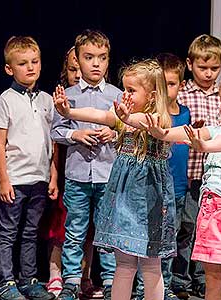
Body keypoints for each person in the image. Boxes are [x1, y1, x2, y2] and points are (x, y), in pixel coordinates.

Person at [53, 59, 176, 300]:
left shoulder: (158, 121)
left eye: (131, 90)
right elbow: (98, 114)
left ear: (151, 96)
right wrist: (69, 112)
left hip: (149, 200)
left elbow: (141, 123)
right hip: (124, 198)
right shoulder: (123, 115)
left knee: (151, 265)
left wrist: (126, 118)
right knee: (124, 264)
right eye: (125, 89)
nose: (125, 95)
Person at [142, 69, 221, 300]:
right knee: (213, 281)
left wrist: (205, 147)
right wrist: (162, 133)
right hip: (210, 214)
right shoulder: (217, 129)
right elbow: (190, 132)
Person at [51, 29, 119, 300]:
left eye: (101, 58)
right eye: (89, 57)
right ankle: (71, 280)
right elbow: (55, 131)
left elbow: (128, 127)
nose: (96, 64)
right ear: (77, 61)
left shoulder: (116, 94)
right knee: (75, 229)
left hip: (107, 175)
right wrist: (74, 134)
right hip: (78, 175)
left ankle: (112, 280)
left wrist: (114, 132)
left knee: (107, 230)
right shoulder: (68, 95)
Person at [0, 36, 57, 300]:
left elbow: (54, 141)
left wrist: (53, 175)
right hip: (15, 178)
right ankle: (6, 283)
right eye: (22, 63)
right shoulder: (5, 100)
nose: (30, 67)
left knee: (31, 232)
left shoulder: (47, 100)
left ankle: (28, 279)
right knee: (8, 232)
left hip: (39, 178)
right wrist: (3, 179)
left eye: (35, 61)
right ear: (10, 69)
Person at [42, 46, 102, 298]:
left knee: (89, 230)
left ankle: (84, 277)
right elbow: (54, 143)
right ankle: (58, 275)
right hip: (69, 169)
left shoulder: (106, 96)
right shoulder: (63, 98)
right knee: (63, 226)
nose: (78, 74)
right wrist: (54, 176)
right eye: (72, 69)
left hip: (96, 170)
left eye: (81, 68)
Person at [173, 33, 221, 299]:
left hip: (212, 176)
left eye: (214, 68)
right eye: (202, 67)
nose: (208, 73)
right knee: (185, 227)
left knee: (206, 230)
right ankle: (179, 277)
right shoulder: (181, 93)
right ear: (190, 64)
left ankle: (203, 277)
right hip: (186, 173)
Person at [134, 53, 189, 300]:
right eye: (162, 84)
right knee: (145, 240)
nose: (167, 90)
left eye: (172, 84)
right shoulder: (147, 117)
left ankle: (164, 287)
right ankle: (141, 288)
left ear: (181, 85)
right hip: (149, 188)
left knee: (169, 240)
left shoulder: (184, 113)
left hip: (176, 188)